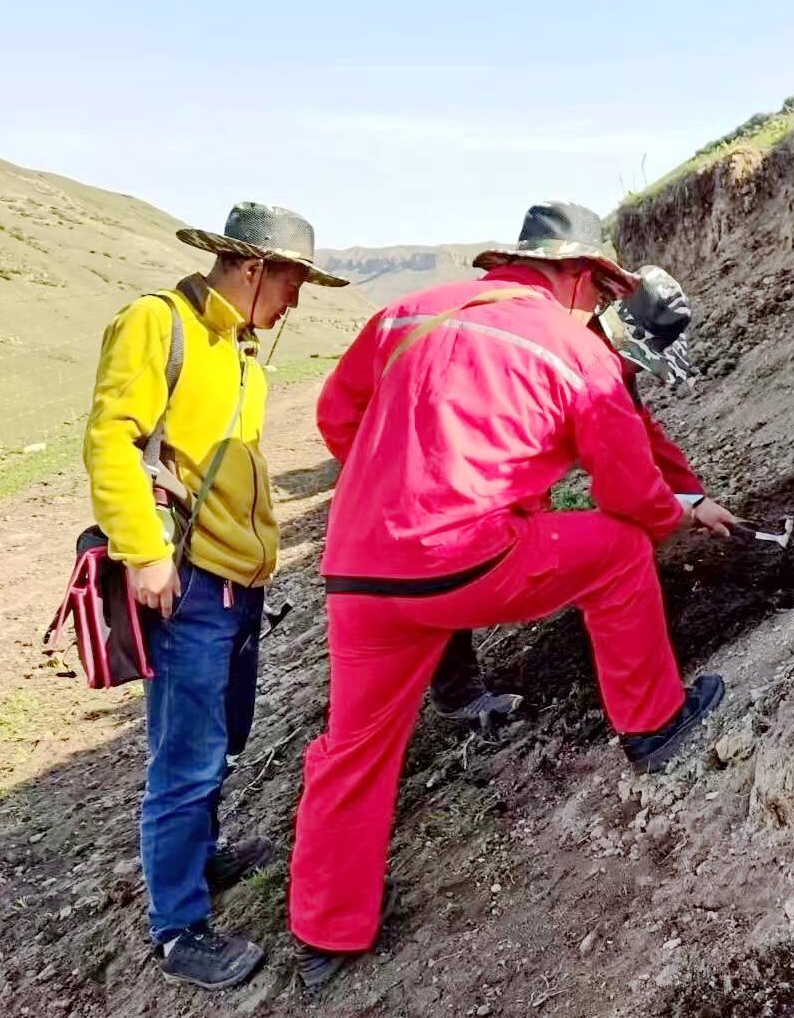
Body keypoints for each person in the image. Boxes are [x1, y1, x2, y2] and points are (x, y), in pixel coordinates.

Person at [288, 201, 729, 988]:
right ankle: (655, 725)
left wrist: (399, 493)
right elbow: (628, 493)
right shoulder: (574, 348)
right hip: (464, 560)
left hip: (358, 572)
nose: (599, 306)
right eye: (601, 291)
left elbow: (337, 414)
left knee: (353, 746)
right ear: (578, 275)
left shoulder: (408, 314)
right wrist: (676, 515)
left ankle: (326, 933)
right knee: (621, 552)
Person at [83, 202, 348, 990]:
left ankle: (201, 855)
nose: (295, 301)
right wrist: (144, 553)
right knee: (186, 755)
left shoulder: (239, 353)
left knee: (223, 734)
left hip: (236, 581)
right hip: (187, 579)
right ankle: (179, 929)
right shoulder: (156, 323)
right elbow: (110, 440)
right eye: (292, 282)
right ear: (254, 267)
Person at [426, 264, 735, 729]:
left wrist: (694, 497)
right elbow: (626, 489)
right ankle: (457, 692)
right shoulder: (556, 349)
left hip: (418, 504)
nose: (634, 372)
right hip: (442, 479)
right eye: (637, 362)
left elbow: (639, 430)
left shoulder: (599, 352)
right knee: (449, 550)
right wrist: (674, 513)